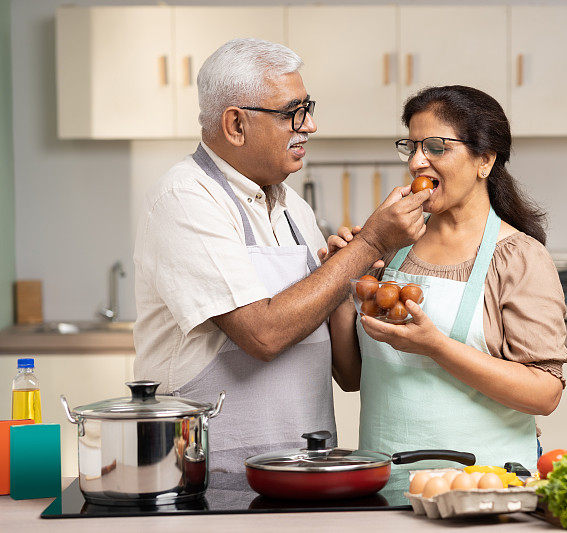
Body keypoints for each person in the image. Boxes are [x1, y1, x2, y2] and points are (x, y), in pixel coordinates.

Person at [133, 38, 430, 472]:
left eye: (307, 107)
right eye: (292, 112)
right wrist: (371, 243)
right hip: (208, 469)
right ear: (236, 125)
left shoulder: (293, 207)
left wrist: (347, 275)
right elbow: (263, 335)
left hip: (301, 465)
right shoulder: (186, 198)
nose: (309, 125)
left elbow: (344, 374)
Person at [328, 86, 567, 471]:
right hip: (386, 485)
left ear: (484, 161)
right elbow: (354, 377)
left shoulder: (519, 257)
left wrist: (436, 346)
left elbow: (544, 394)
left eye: (436, 147)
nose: (416, 162)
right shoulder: (389, 247)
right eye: (412, 147)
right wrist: (341, 283)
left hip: (484, 489)